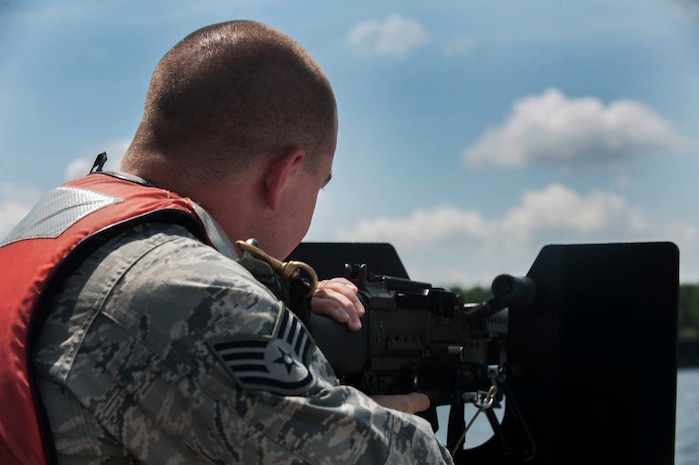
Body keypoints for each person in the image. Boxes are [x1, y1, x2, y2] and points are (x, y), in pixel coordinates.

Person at [0, 20, 454, 464]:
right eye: (319, 184)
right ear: (284, 173)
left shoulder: (57, 217)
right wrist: (372, 420)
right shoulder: (190, 293)